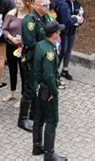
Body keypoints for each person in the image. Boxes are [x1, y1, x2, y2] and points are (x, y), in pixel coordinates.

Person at [32, 21, 67, 161]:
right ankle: (49, 154)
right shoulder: (50, 52)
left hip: (38, 88)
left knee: (39, 118)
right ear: (54, 34)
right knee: (52, 121)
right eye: (59, 31)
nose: (60, 33)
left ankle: (37, 146)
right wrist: (55, 92)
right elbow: (49, 75)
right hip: (48, 91)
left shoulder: (41, 45)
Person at [18, 0, 51, 132]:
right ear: (36, 5)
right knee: (30, 88)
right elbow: (32, 43)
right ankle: (23, 119)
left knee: (39, 86)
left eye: (49, 4)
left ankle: (34, 113)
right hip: (33, 59)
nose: (48, 7)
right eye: (45, 5)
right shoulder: (29, 21)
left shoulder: (45, 17)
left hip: (42, 59)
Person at [2, 0, 32, 103]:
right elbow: (4, 29)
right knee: (12, 69)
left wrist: (24, 42)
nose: (17, 5)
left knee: (23, 72)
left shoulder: (30, 16)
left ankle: (23, 96)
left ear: (26, 3)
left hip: (24, 48)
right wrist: (11, 37)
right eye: (16, 3)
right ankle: (12, 92)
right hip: (11, 45)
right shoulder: (12, 13)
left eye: (20, 4)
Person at [52, 0, 81, 81]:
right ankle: (54, 74)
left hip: (57, 30)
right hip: (61, 31)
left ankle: (57, 71)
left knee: (62, 51)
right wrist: (76, 19)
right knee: (61, 52)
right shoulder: (63, 4)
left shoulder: (55, 0)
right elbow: (66, 21)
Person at [60, 0, 84, 80]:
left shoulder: (78, 4)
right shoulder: (64, 3)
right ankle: (56, 69)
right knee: (63, 50)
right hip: (65, 30)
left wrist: (81, 20)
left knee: (69, 50)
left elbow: (82, 15)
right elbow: (64, 18)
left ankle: (65, 69)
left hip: (73, 30)